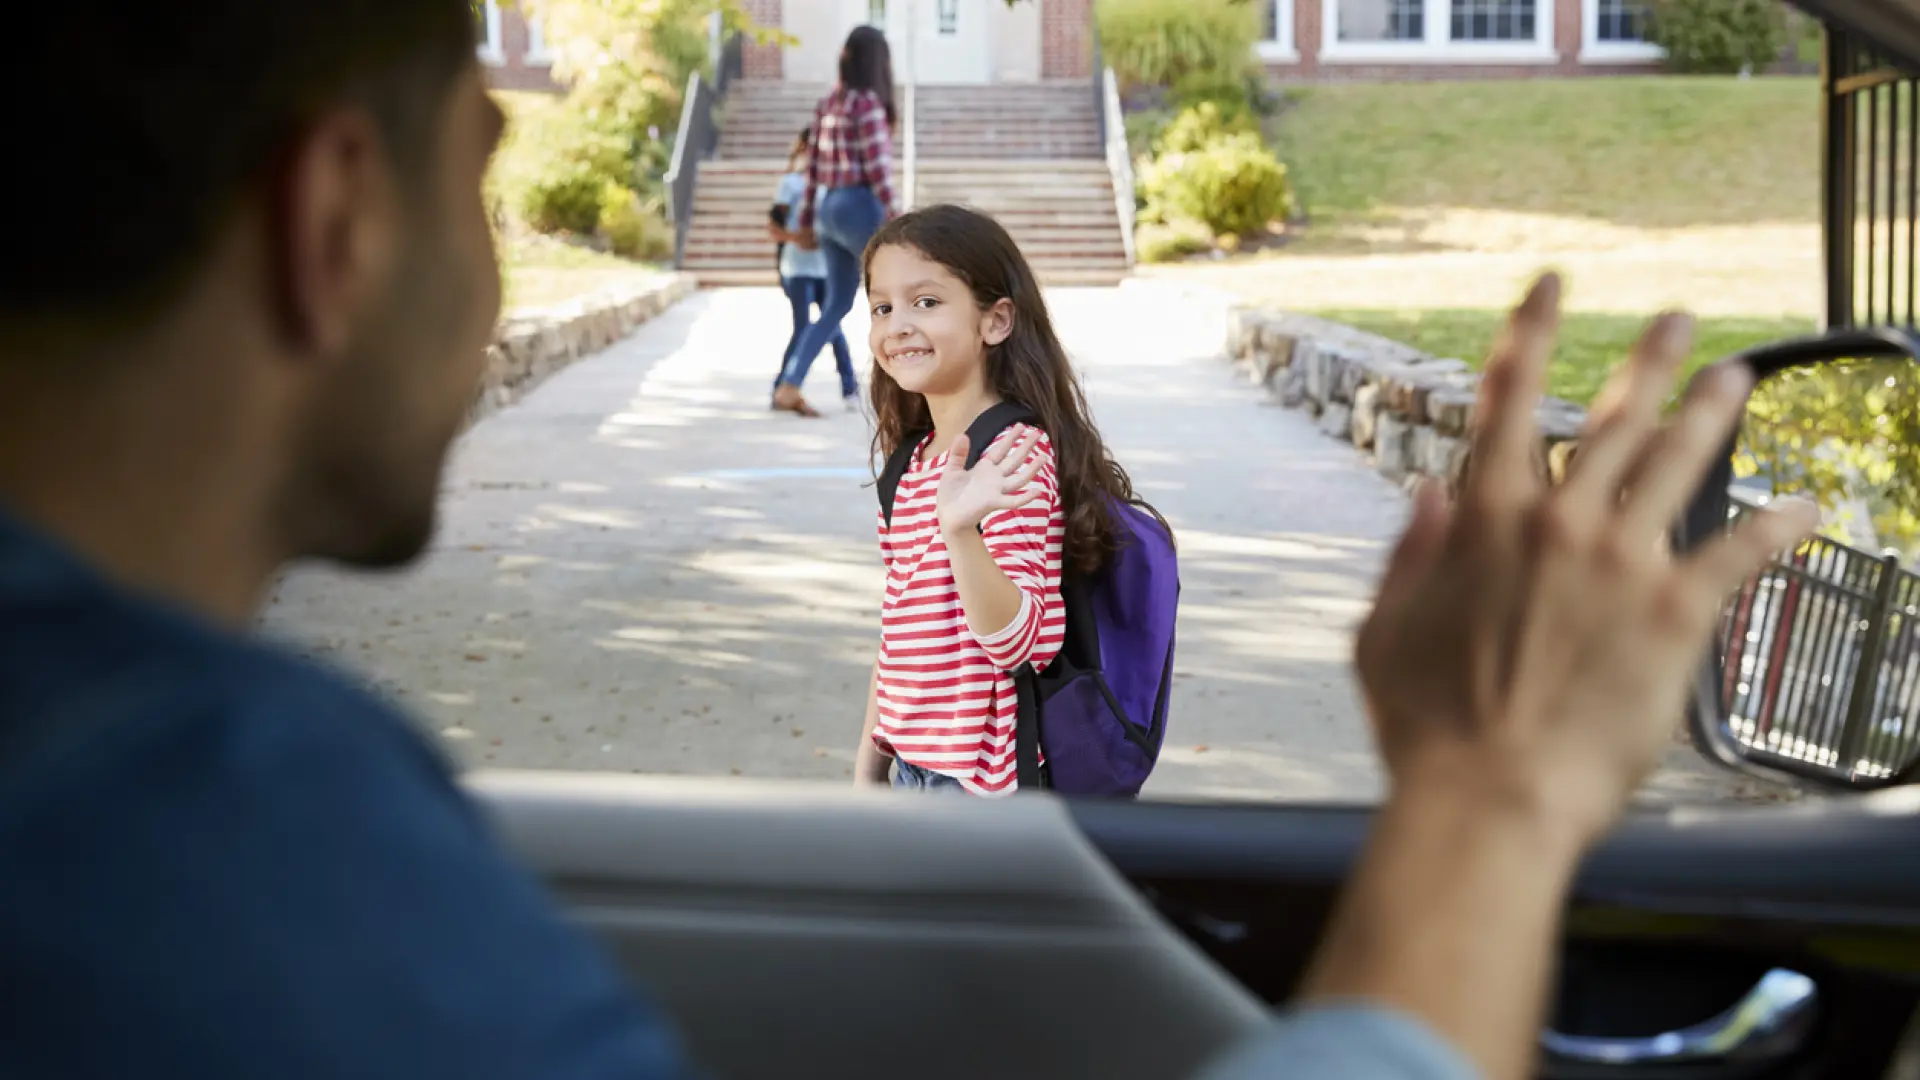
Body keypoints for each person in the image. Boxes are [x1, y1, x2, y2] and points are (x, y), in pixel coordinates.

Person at [0, 4, 1817, 1079]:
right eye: (481, 166)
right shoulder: (228, 829)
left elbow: (1013, 636)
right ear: (338, 221)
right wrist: (1494, 799)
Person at [849, 205, 1159, 796]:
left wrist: (961, 531)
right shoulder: (911, 464)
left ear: (995, 322)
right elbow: (901, 630)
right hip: (915, 769)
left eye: (927, 302)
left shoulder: (1012, 457)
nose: (898, 325)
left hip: (979, 788)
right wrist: (871, 760)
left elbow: (1020, 643)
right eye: (882, 307)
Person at [770, 24, 897, 419]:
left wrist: (807, 220)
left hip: (828, 209)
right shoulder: (868, 105)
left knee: (838, 303)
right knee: (897, 295)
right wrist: (896, 216)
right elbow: (878, 169)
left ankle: (790, 383)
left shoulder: (827, 104)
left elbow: (813, 170)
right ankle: (906, 393)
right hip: (859, 204)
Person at [769, 126, 859, 413]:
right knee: (803, 328)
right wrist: (796, 238)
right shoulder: (792, 184)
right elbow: (773, 226)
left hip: (828, 267)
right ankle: (782, 386)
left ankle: (850, 388)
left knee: (834, 325)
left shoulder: (835, 187)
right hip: (798, 268)